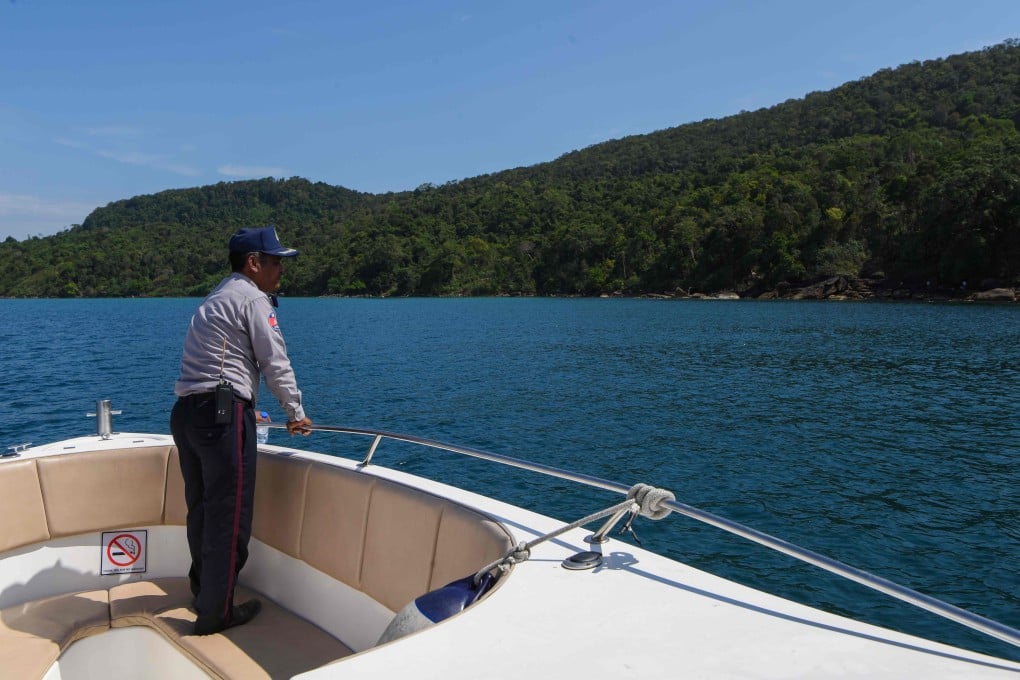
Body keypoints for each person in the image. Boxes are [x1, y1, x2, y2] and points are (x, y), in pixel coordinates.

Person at [170, 226, 313, 635]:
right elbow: (274, 361)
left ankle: (204, 593)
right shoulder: (252, 298)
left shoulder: (218, 295)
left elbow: (217, 366)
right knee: (229, 517)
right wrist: (295, 412)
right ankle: (217, 613)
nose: (281, 269)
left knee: (202, 510)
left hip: (188, 414)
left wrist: (243, 408)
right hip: (221, 417)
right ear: (254, 263)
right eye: (275, 261)